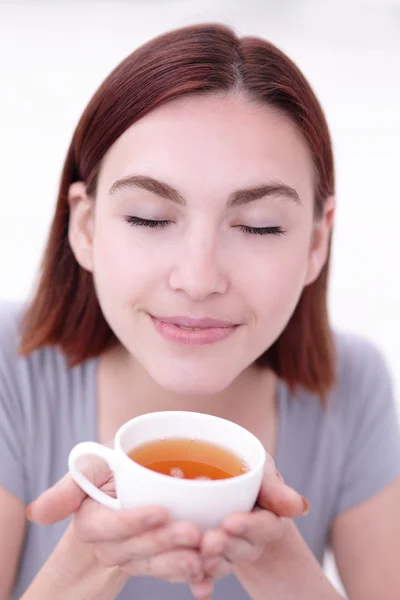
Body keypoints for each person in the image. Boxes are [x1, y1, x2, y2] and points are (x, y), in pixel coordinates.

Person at [0, 22, 399, 600]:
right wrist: (86, 564)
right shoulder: (12, 369)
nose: (198, 279)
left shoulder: (354, 386)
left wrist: (279, 564)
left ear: (317, 242)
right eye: (149, 219)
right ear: (84, 227)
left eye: (258, 226)